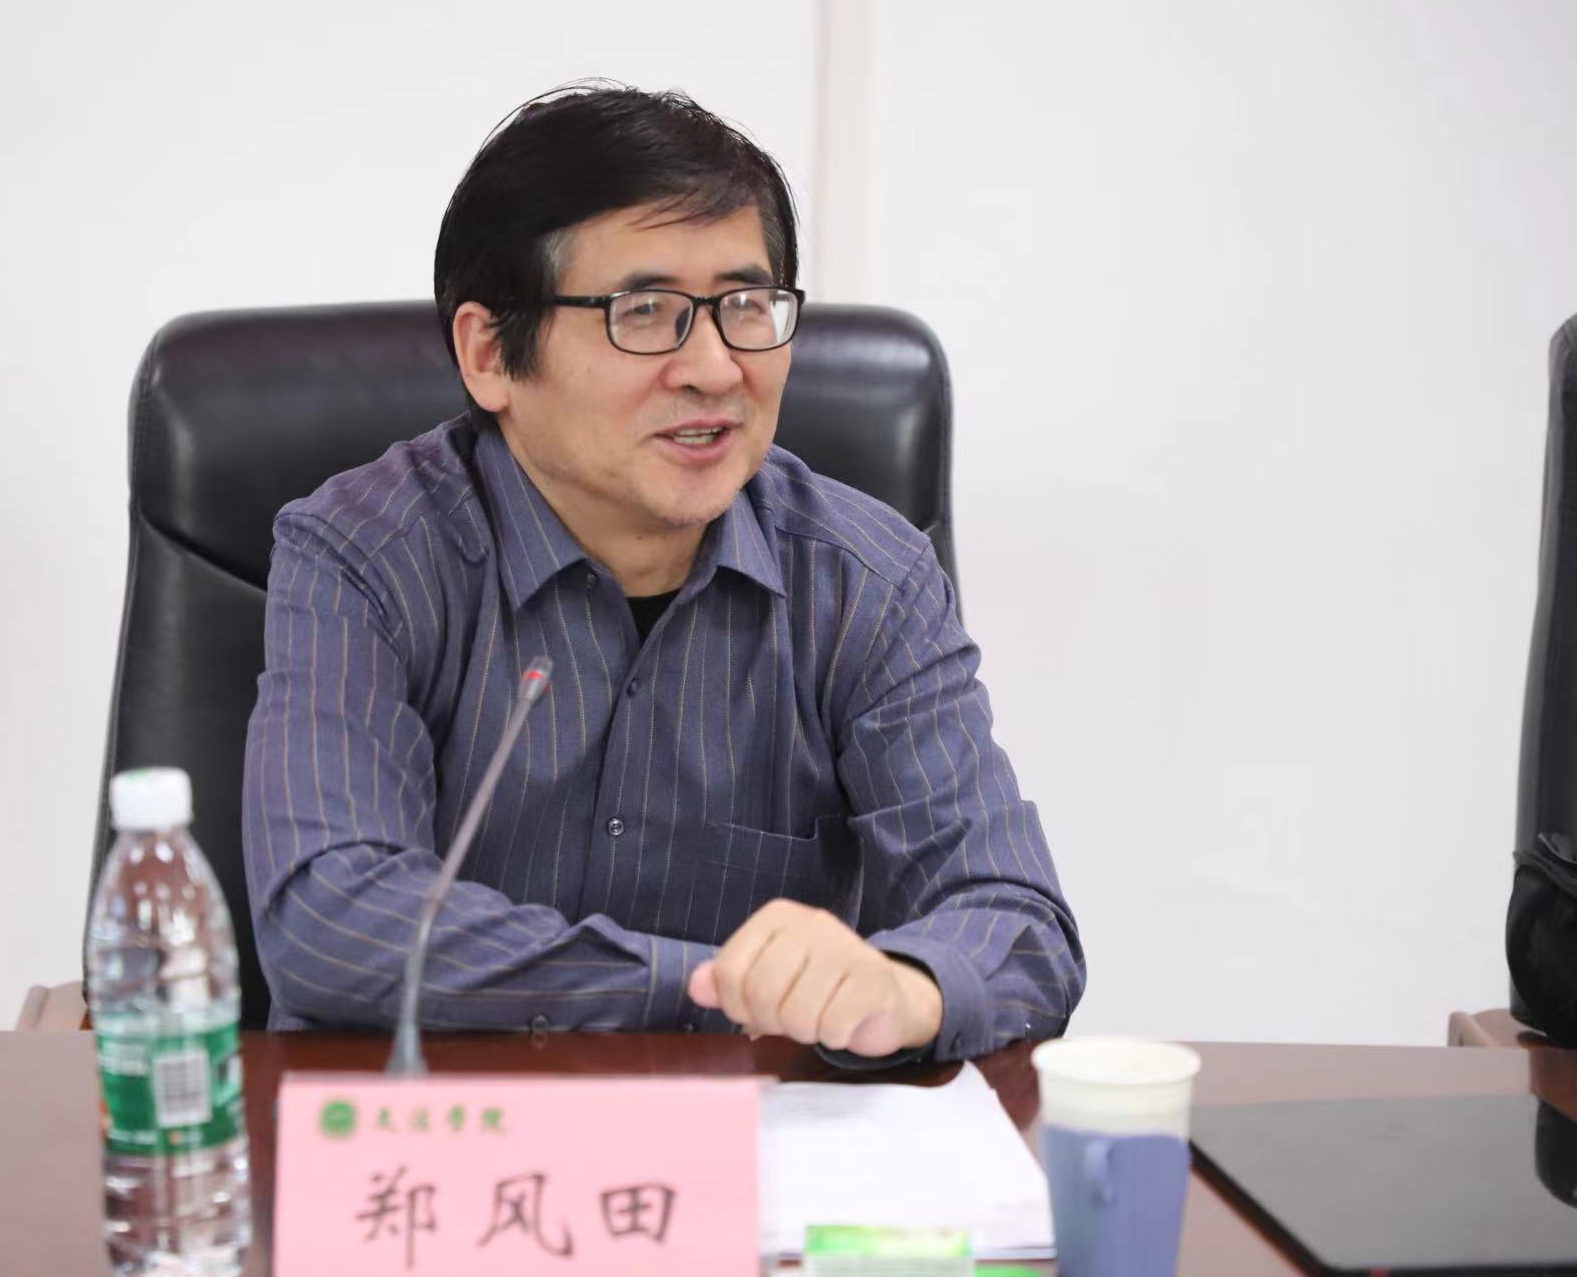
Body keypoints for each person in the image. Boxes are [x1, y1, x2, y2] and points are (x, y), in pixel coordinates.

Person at [241, 85, 1084, 1064]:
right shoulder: (367, 553)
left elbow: (1019, 925)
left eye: (746, 306)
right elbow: (331, 918)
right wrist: (711, 987)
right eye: (644, 312)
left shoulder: (865, 579)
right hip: (442, 1131)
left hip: (751, 1142)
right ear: (490, 353)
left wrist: (907, 987)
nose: (716, 369)